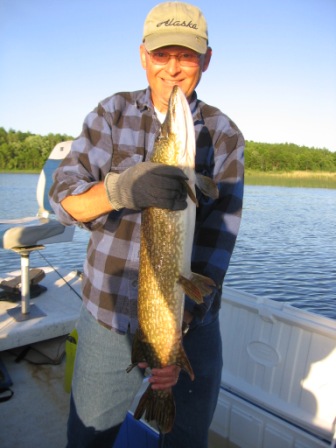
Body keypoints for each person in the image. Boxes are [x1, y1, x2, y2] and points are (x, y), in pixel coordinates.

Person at [49, 2, 244, 447]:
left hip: (188, 323)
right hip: (108, 314)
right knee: (88, 436)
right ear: (143, 55)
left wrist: (172, 339)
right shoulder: (110, 114)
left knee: (187, 438)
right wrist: (120, 190)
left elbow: (219, 240)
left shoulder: (224, 134)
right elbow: (63, 202)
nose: (173, 70)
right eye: (162, 55)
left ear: (206, 60)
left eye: (187, 56)